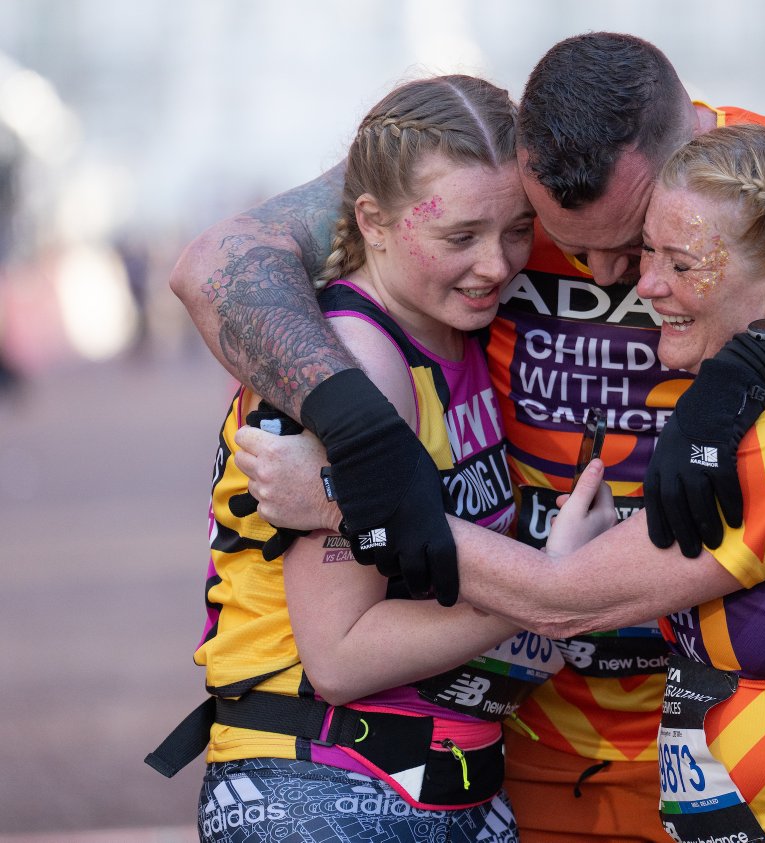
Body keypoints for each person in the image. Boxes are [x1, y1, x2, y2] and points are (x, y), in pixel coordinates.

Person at [170, 33, 765, 842]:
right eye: (557, 238)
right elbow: (218, 264)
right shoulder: (509, 168)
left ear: (686, 154)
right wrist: (363, 438)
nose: (608, 274)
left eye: (639, 244)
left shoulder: (764, 179)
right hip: (540, 731)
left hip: (719, 722)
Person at [147, 75, 558, 843]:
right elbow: (339, 655)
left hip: (438, 785)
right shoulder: (363, 356)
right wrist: (550, 596)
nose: (498, 265)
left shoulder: (453, 329)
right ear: (371, 220)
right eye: (460, 236)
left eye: (517, 229)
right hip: (325, 785)